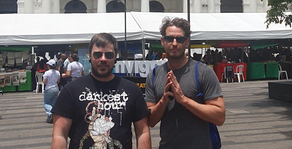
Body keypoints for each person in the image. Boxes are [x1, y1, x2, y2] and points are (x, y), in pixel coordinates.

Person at [51, 33, 150, 149]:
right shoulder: (71, 90)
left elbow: (143, 132)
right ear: (90, 56)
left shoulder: (132, 90)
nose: (103, 59)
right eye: (97, 54)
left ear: (115, 56)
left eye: (108, 55)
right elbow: (59, 134)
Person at [145, 17, 225, 149]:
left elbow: (219, 117)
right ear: (162, 41)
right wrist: (164, 101)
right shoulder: (154, 75)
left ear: (187, 42)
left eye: (180, 39)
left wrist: (183, 100)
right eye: (170, 39)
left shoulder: (203, 72)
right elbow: (151, 121)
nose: (174, 43)